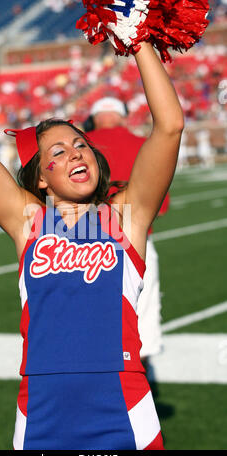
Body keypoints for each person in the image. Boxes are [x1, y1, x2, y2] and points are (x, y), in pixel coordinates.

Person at [0, 42, 184, 450]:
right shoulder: (28, 224)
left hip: (120, 403)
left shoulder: (128, 215)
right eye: (59, 151)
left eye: (81, 145)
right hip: (41, 407)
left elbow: (170, 127)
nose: (77, 154)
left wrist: (139, 39)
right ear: (40, 177)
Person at [85, 97, 170, 366]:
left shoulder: (75, 146)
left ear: (96, 116)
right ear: (122, 116)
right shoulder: (142, 145)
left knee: (86, 326)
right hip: (135, 243)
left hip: (82, 245)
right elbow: (161, 206)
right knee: (140, 324)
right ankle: (137, 390)